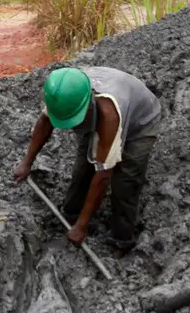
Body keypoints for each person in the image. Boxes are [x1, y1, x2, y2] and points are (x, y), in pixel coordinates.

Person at [13, 66, 164, 252]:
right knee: (83, 168)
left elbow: (102, 176)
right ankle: (71, 214)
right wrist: (26, 162)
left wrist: (81, 227)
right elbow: (45, 121)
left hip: (140, 124)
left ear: (87, 106)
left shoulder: (109, 115)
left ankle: (121, 239)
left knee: (125, 180)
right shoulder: (64, 93)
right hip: (95, 111)